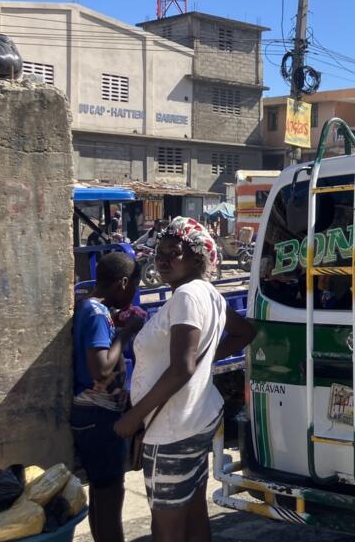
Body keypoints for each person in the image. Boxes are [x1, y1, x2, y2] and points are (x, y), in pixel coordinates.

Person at [113, 217, 255, 542]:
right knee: (193, 515)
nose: (161, 259)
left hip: (171, 432)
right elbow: (245, 332)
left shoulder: (187, 297)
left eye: (172, 253)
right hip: (196, 421)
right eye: (158, 252)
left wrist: (133, 417)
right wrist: (206, 360)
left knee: (166, 530)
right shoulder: (208, 293)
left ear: (195, 258)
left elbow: (181, 369)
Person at [71, 252, 144, 542]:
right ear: (123, 282)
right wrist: (126, 333)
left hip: (89, 416)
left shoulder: (90, 308)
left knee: (102, 492)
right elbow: (101, 370)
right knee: (111, 493)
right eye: (134, 287)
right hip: (99, 417)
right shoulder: (97, 314)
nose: (134, 294)